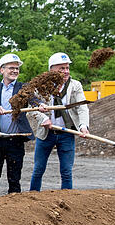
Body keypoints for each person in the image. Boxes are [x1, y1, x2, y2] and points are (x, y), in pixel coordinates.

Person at [29, 52, 90, 191]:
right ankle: (32, 198)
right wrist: (44, 118)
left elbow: (82, 107)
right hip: (46, 134)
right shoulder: (40, 86)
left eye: (67, 68)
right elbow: (32, 109)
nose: (66, 71)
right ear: (51, 70)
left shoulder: (75, 85)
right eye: (61, 68)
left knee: (66, 172)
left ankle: (67, 198)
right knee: (38, 170)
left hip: (66, 134)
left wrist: (83, 126)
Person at [0, 53, 33, 196]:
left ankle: (14, 206)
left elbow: (35, 102)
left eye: (17, 68)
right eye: (11, 68)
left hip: (15, 140)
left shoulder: (24, 88)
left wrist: (40, 105)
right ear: (2, 70)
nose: (15, 71)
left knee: (14, 179)